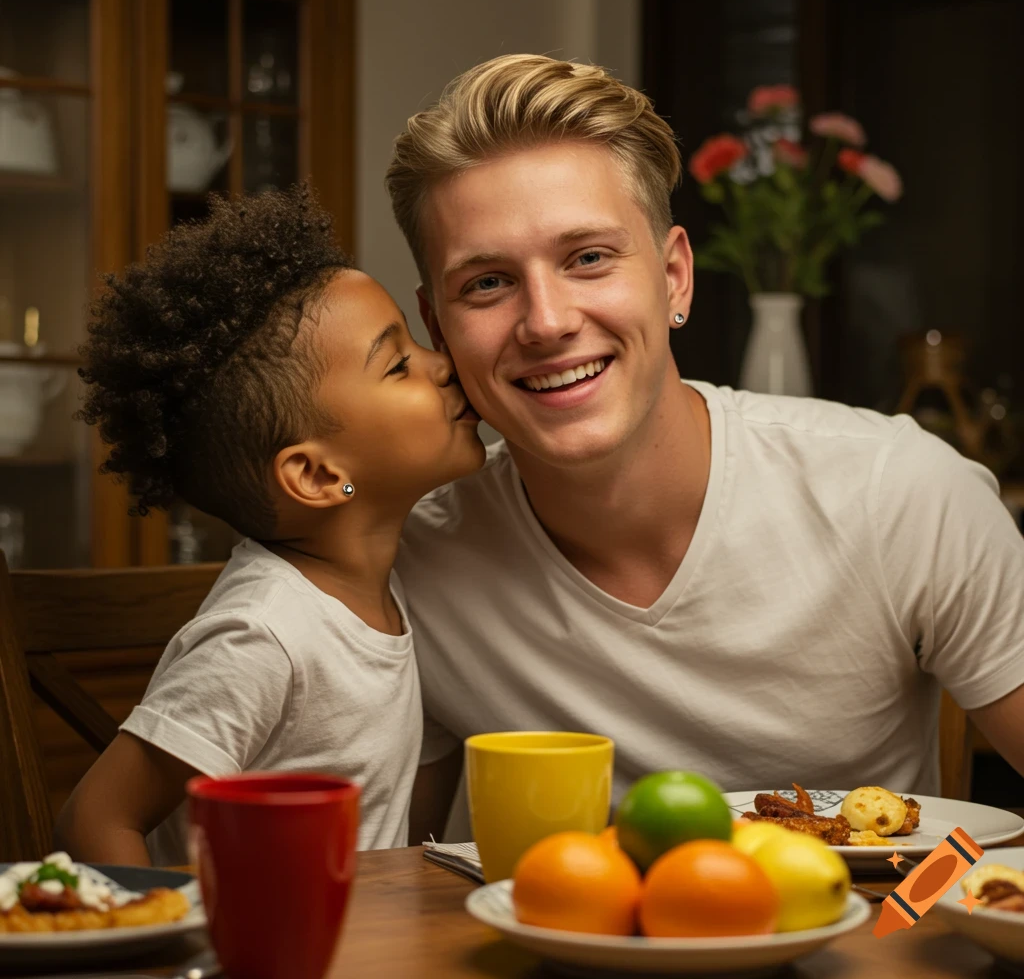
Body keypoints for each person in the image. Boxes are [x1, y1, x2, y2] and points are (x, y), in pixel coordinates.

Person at [386, 54, 1024, 831]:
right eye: (486, 282)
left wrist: (913, 923)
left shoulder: (900, 494)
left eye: (588, 258)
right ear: (435, 325)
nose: (547, 321)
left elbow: (988, 845)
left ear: (675, 276)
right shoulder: (409, 560)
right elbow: (379, 880)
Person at [54, 185, 484, 865]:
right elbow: (95, 820)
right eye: (399, 364)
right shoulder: (263, 636)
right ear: (315, 476)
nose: (443, 362)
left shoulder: (389, 592)